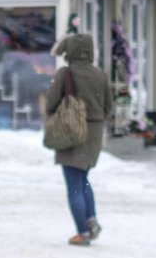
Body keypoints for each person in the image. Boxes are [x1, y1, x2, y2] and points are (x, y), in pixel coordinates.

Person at [44, 34, 113, 246]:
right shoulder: (101, 75)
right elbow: (108, 107)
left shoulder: (66, 74)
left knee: (73, 182)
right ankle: (91, 220)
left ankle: (82, 232)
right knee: (82, 178)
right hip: (94, 132)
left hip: (71, 131)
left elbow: (51, 104)